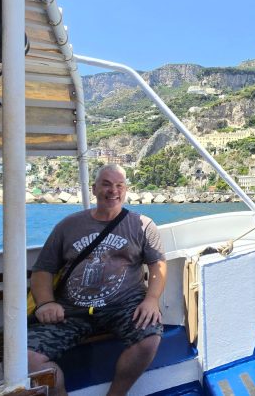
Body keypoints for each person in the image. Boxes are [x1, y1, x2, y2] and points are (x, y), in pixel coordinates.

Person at [27, 164, 167, 396]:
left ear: (126, 190)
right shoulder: (69, 226)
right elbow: (43, 270)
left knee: (149, 339)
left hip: (123, 307)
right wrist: (45, 303)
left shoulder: (142, 225)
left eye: (119, 185)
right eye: (106, 184)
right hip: (71, 312)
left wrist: (152, 299)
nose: (113, 190)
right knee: (27, 359)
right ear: (94, 189)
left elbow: (158, 265)